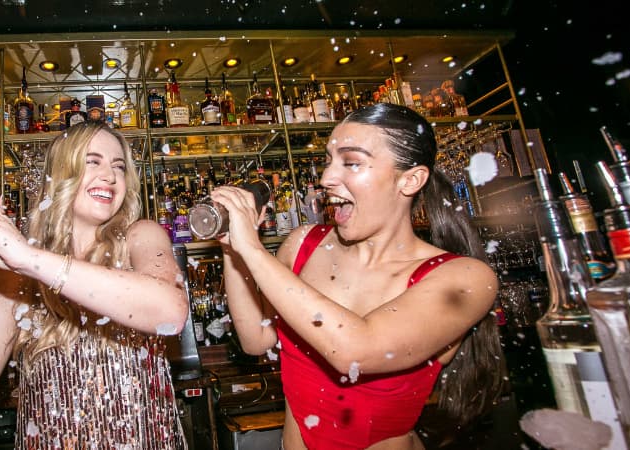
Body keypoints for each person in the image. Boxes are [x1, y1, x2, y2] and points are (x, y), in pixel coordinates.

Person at [211, 103, 505, 449]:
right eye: (329, 160)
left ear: (410, 180)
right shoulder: (303, 244)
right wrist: (233, 248)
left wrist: (255, 251)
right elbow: (256, 340)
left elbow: (355, 351)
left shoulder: (465, 279)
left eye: (351, 162)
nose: (326, 179)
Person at [0, 121, 190, 448]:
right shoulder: (17, 272)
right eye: (92, 161)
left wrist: (28, 257)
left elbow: (171, 312)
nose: (110, 176)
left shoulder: (140, 236)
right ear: (60, 174)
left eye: (119, 166)